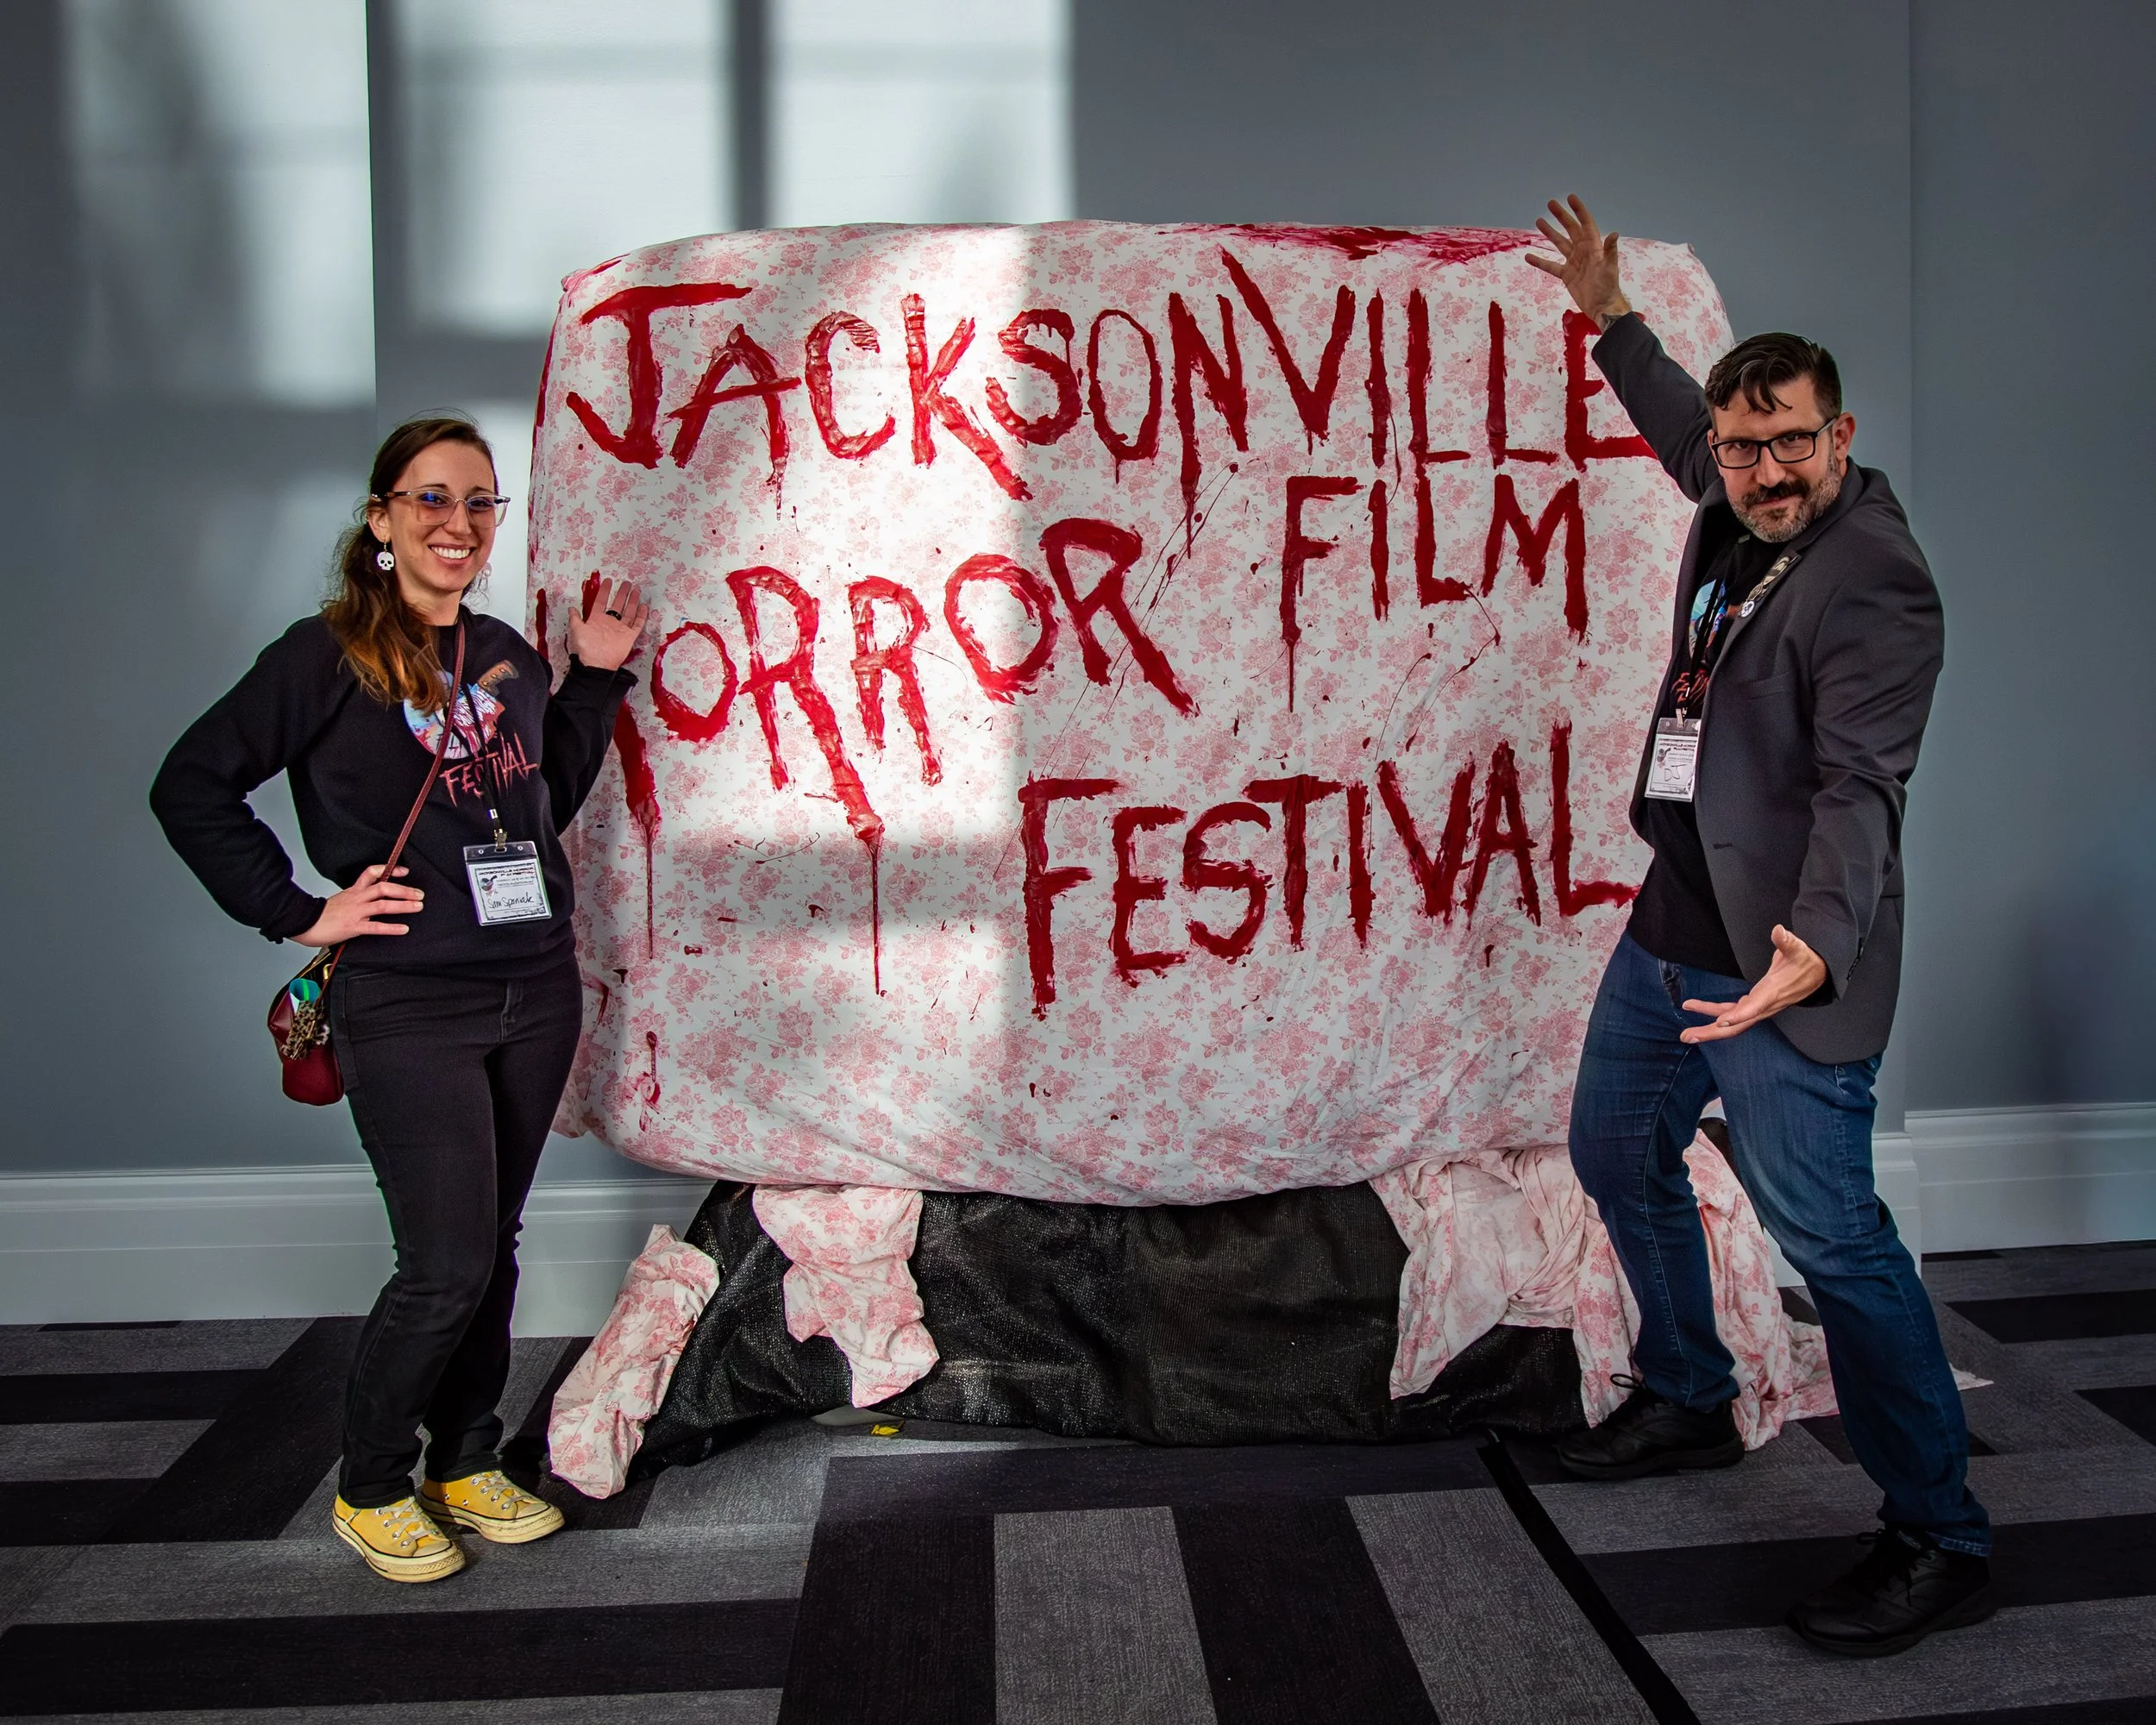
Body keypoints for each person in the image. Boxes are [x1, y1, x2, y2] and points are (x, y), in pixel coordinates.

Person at [1526, 198, 1990, 1657]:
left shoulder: (1876, 577)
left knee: (1835, 1241)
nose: (1766, 471)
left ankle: (1939, 1533)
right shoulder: (1733, 495)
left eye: (1795, 442)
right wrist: (1612, 316)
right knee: (1615, 1152)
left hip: (1782, 955)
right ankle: (1687, 1390)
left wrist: (1818, 941)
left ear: (1840, 437)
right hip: (1676, 920)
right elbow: (1680, 423)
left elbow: (1866, 783)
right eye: (1745, 448)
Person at [151, 415, 649, 1583]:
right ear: (380, 522)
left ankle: (466, 1461)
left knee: (493, 1246)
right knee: (444, 1260)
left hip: (533, 989)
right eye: (429, 500)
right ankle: (372, 1483)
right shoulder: (322, 655)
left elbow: (544, 799)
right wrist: (299, 910)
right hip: (407, 1002)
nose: (457, 523)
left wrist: (598, 676)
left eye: (480, 502)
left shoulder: (509, 654)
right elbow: (193, 786)